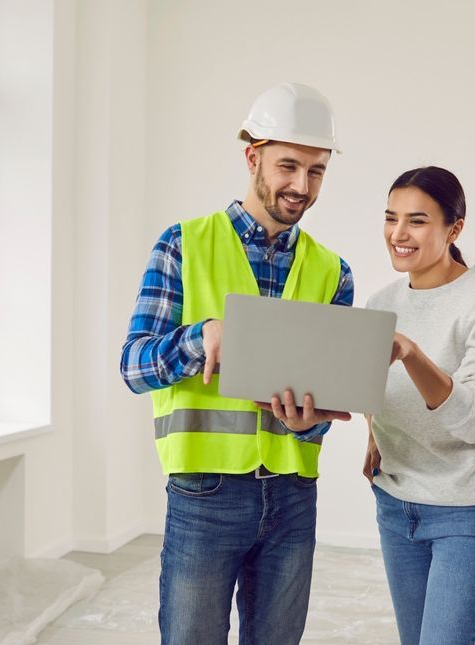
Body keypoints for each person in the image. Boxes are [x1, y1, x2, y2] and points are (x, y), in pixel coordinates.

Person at [119, 82, 353, 645]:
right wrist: (203, 337)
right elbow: (134, 366)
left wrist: (311, 421)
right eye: (288, 166)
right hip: (205, 494)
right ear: (253, 157)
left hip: (294, 495)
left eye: (316, 171)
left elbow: (329, 398)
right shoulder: (183, 245)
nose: (301, 186)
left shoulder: (333, 271)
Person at [363, 166, 475, 645]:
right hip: (397, 506)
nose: (398, 234)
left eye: (416, 221)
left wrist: (413, 355)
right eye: (391, 218)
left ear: (454, 229)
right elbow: (370, 385)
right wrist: (373, 433)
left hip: (469, 516)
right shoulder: (382, 302)